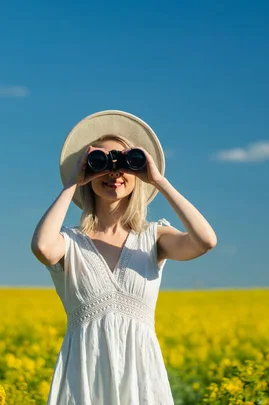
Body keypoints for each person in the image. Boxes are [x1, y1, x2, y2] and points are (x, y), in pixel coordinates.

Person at [31, 110, 217, 404]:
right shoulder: (70, 242)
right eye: (102, 163)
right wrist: (71, 183)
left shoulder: (154, 238)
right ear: (88, 173)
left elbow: (206, 240)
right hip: (84, 378)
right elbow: (42, 247)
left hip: (141, 379)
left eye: (124, 162)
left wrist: (157, 180)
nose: (114, 173)